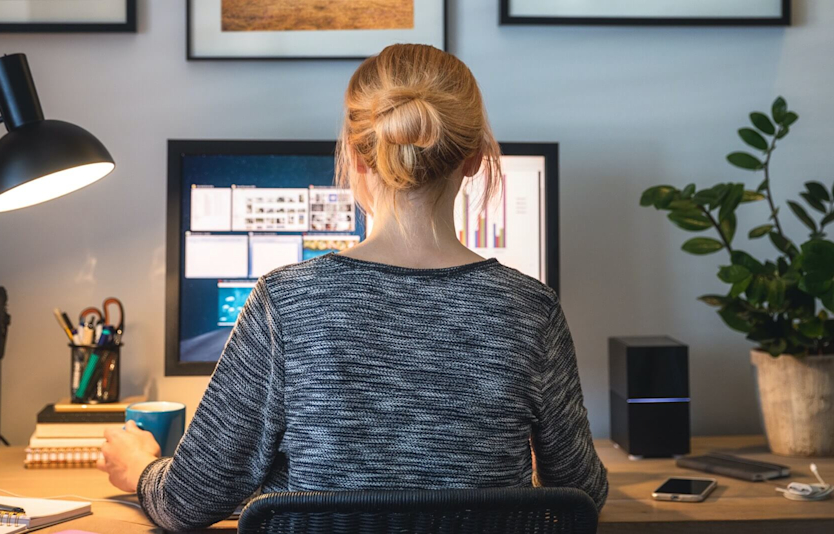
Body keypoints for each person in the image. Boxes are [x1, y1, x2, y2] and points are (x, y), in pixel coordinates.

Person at [98, 43, 608, 532]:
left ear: (358, 158)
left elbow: (188, 502)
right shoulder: (531, 309)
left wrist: (141, 468)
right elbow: (581, 493)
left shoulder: (285, 302)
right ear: (474, 158)